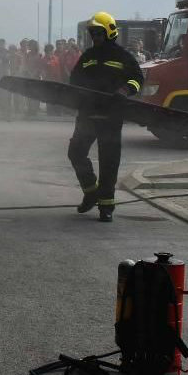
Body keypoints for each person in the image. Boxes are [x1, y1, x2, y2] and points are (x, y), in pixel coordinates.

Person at [67, 12, 144, 222]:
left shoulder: (123, 56)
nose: (96, 38)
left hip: (111, 116)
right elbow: (73, 79)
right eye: (93, 34)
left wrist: (125, 91)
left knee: (109, 161)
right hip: (87, 115)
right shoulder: (88, 56)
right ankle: (91, 192)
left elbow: (137, 79)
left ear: (110, 32)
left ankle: (106, 207)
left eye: (99, 33)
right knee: (75, 152)